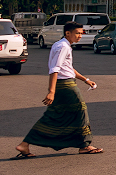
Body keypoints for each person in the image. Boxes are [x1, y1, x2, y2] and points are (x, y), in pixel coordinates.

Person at [14, 21, 103, 157]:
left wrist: (85, 80)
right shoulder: (63, 47)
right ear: (68, 33)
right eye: (77, 33)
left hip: (65, 84)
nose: (80, 36)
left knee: (54, 115)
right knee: (80, 111)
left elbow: (66, 67)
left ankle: (25, 144)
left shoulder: (61, 45)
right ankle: (85, 145)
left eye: (81, 33)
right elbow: (54, 69)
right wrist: (51, 91)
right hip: (66, 86)